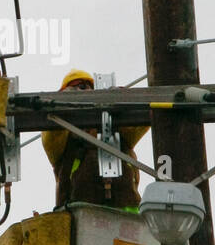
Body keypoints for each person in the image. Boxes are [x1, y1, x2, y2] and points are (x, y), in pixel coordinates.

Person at [41, 69, 148, 210]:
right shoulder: (63, 141)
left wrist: (123, 98)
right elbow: (51, 129)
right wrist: (66, 102)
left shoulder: (119, 132)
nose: (86, 91)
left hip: (127, 224)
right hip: (80, 223)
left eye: (91, 89)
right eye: (79, 86)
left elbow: (146, 116)